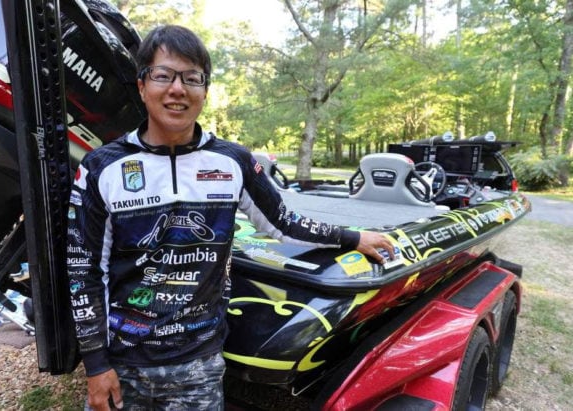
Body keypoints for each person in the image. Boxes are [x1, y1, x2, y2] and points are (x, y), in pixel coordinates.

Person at [66, 24, 394, 411]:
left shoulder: (233, 161)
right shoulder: (102, 167)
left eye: (192, 78)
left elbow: (284, 223)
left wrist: (353, 237)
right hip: (123, 365)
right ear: (142, 85)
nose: (177, 89)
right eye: (163, 75)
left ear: (205, 90)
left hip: (199, 367)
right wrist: (96, 365)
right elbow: (84, 270)